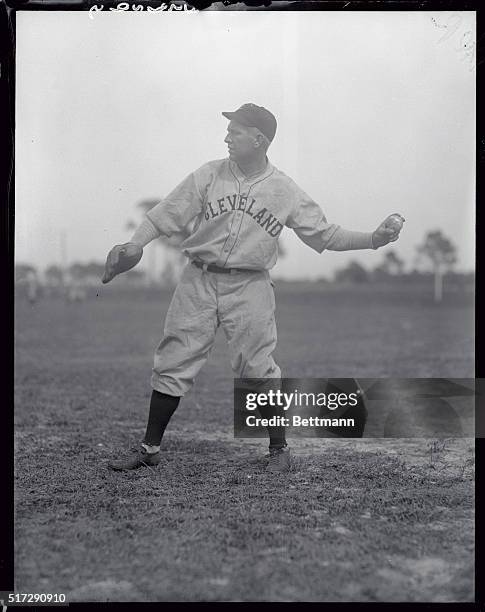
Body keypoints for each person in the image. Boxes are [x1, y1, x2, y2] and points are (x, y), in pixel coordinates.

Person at [103, 103, 403, 474]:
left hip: (250, 286)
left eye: (236, 131)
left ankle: (279, 452)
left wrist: (374, 239)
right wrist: (136, 244)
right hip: (199, 278)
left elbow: (325, 235)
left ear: (259, 139)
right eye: (229, 131)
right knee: (174, 358)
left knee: (257, 366)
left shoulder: (284, 190)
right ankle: (149, 449)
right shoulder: (209, 175)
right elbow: (164, 214)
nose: (227, 137)